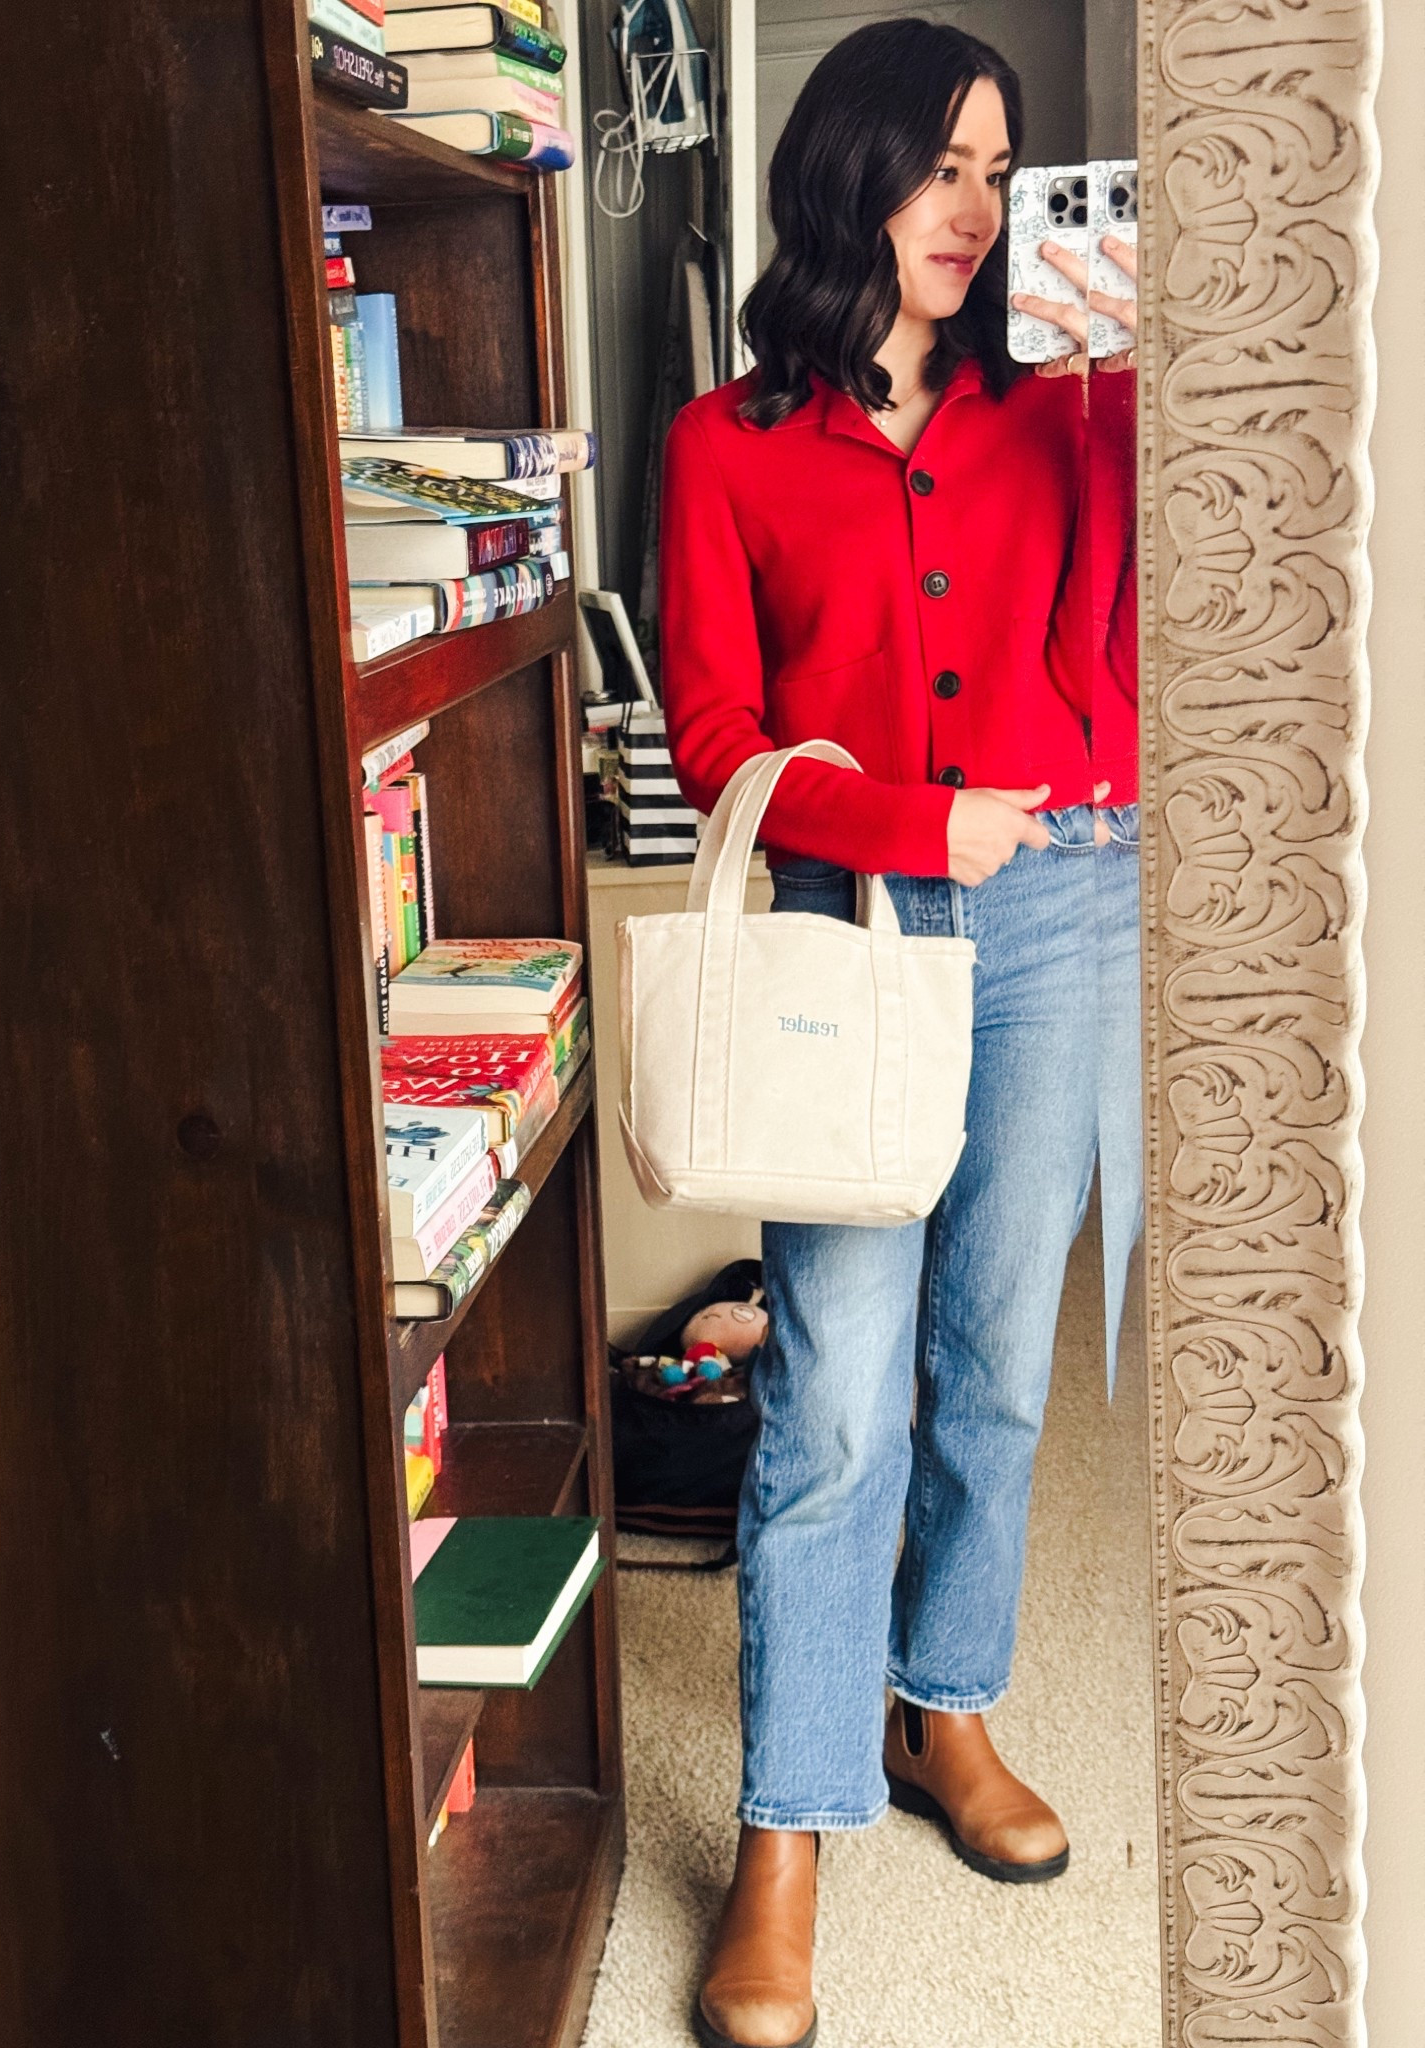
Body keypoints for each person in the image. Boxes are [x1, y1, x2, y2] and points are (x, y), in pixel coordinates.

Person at [657, 21, 1140, 2048]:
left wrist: (1144, 399)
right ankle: (791, 1825)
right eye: (941, 162)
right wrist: (915, 816)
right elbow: (716, 747)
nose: (973, 204)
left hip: (1065, 918)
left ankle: (947, 1707)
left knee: (999, 1369)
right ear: (852, 171)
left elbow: (1126, 655)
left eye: (999, 168)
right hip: (850, 924)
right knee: (839, 1393)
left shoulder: (1075, 413)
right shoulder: (722, 443)